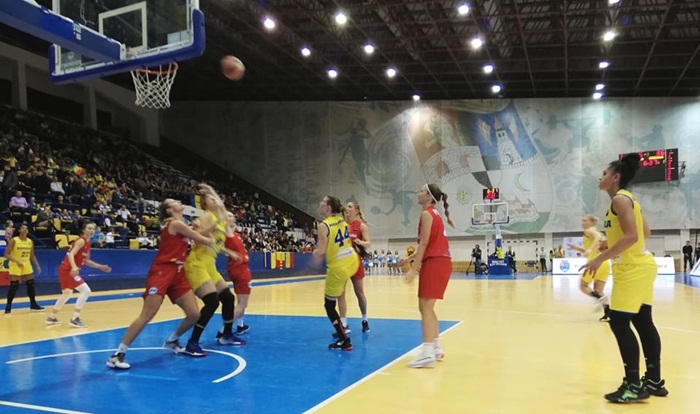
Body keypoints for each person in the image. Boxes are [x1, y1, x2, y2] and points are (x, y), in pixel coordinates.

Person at [580, 153, 668, 403]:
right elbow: (645, 232)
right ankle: (653, 381)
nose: (600, 177)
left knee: (619, 323)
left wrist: (600, 257)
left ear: (615, 177)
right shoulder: (628, 199)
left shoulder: (619, 199)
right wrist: (610, 243)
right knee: (643, 322)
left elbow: (632, 236)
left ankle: (632, 385)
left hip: (632, 269)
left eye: (604, 174)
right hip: (639, 265)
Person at [106, 199, 214, 370]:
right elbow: (203, 239)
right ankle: (117, 354)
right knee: (147, 314)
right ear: (170, 210)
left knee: (194, 314)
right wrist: (214, 224)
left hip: (178, 273)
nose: (179, 202)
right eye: (174, 202)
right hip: (163, 271)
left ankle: (172, 340)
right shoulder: (175, 224)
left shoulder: (182, 225)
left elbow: (197, 234)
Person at [183, 183, 244, 356]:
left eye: (215, 199)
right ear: (205, 203)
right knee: (212, 302)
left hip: (209, 264)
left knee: (228, 298)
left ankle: (226, 335)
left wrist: (228, 252)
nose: (215, 200)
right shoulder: (207, 217)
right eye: (211, 199)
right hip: (196, 263)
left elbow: (216, 241)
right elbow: (197, 236)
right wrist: (213, 222)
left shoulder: (220, 219)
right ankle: (192, 342)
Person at [399, 183, 454, 368]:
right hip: (441, 262)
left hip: (435, 262)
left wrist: (413, 270)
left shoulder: (426, 214)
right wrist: (409, 258)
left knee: (425, 308)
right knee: (427, 308)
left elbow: (423, 244)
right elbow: (429, 243)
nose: (418, 193)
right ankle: (436, 347)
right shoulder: (435, 214)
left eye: (421, 191)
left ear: (429, 197)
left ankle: (427, 352)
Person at [311, 195, 360, 351]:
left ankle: (345, 340)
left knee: (329, 305)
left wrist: (314, 254)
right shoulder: (342, 220)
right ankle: (344, 323)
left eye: (323, 201)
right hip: (352, 261)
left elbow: (321, 251)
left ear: (328, 207)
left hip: (338, 267)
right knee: (340, 295)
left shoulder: (323, 225)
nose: (320, 203)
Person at [45, 221, 112, 327]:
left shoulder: (88, 243)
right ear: (83, 230)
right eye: (89, 228)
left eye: (93, 229)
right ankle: (75, 318)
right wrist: (74, 267)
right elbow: (71, 254)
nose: (92, 230)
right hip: (67, 270)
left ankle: (52, 317)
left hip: (64, 269)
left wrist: (100, 266)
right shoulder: (81, 241)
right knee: (86, 291)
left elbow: (87, 261)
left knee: (67, 294)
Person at [216, 211, 253, 338]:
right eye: (229, 216)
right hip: (240, 269)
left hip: (236, 268)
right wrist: (229, 252)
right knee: (243, 304)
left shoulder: (234, 232)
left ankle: (240, 325)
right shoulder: (226, 231)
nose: (233, 217)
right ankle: (223, 331)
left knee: (240, 301)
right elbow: (217, 245)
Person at [568, 215, 611, 322]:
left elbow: (596, 237)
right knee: (598, 291)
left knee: (583, 286)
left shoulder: (589, 231)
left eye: (585, 220)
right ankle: (608, 314)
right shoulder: (599, 233)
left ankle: (599, 298)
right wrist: (577, 248)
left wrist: (590, 249)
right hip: (604, 263)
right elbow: (592, 246)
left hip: (594, 264)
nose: (582, 222)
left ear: (591, 222)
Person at [338, 201, 371, 334]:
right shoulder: (340, 225)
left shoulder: (361, 226)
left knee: (359, 293)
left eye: (350, 206)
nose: (347, 208)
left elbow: (368, 244)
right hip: (343, 262)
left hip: (356, 262)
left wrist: (360, 242)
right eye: (346, 206)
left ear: (356, 211)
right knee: (340, 293)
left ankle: (365, 320)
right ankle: (344, 324)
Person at [4, 223, 44, 314]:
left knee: (31, 284)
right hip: (15, 263)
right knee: (14, 286)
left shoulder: (30, 241)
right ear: (19, 230)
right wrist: (16, 261)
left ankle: (33, 304)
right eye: (23, 228)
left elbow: (32, 255)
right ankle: (8, 306)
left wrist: (37, 266)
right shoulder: (14, 240)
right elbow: (6, 254)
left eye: (26, 228)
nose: (25, 230)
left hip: (26, 263)